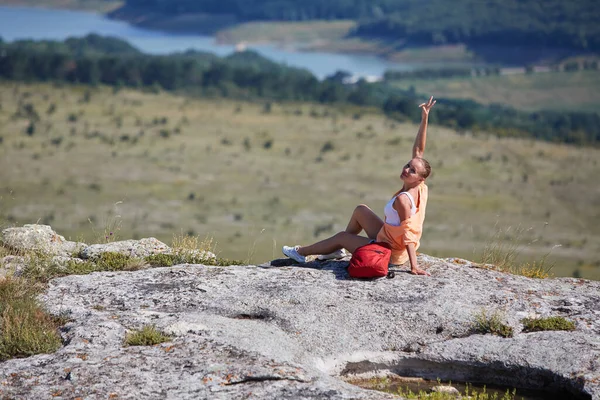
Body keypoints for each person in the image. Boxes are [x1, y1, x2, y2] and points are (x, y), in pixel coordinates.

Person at [282, 96, 436, 276]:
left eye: (412, 171)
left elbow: (409, 233)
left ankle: (300, 253)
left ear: (420, 179)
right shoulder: (420, 188)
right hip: (387, 237)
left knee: (341, 236)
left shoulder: (403, 200)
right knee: (360, 210)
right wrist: (425, 118)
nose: (406, 169)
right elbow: (418, 152)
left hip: (389, 251)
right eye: (407, 165)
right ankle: (337, 250)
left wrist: (414, 266)